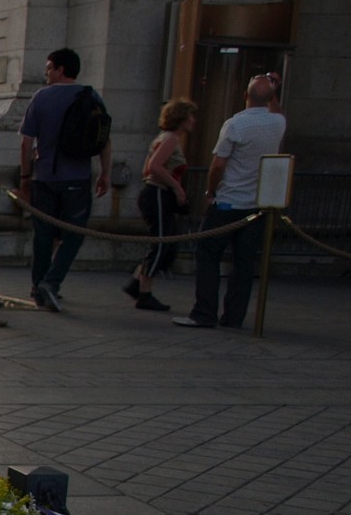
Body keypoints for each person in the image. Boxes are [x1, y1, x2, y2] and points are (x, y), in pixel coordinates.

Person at [175, 75, 286, 330]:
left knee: (208, 254)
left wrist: (210, 192)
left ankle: (204, 312)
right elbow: (278, 112)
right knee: (244, 263)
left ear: (245, 96)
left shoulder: (235, 124)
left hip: (228, 202)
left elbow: (218, 164)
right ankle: (234, 316)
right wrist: (273, 91)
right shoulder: (277, 122)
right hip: (257, 205)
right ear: (270, 99)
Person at [19, 46, 112, 311]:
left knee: (43, 235)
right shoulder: (90, 96)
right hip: (78, 178)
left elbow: (26, 142)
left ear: (61, 70)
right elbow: (104, 139)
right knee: (73, 234)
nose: (46, 72)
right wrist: (105, 173)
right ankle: (53, 281)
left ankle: (39, 286)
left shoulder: (40, 98)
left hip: (45, 177)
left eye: (49, 67)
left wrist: (26, 175)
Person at [122, 99, 195, 313]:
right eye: (190, 116)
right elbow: (153, 167)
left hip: (156, 194)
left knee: (166, 244)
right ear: (181, 118)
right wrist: (177, 188)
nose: (193, 121)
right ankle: (145, 292)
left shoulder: (166, 138)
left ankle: (137, 283)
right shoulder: (171, 139)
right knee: (162, 244)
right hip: (158, 194)